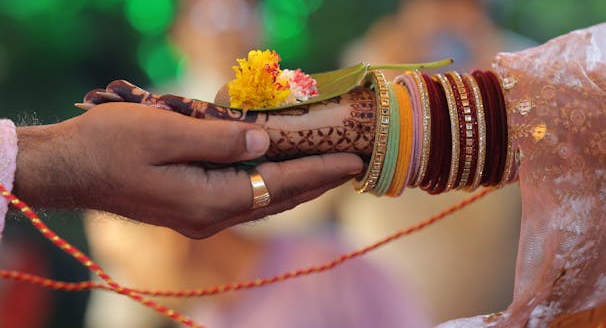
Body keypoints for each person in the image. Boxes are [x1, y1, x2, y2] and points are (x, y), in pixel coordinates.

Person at [85, 22, 606, 327]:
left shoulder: (328, 267)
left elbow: (559, 122)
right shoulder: (208, 312)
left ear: (172, 223)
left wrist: (265, 127)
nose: (120, 273)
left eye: (118, 252)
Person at [83, 0, 429, 328]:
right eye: (207, 16)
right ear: (178, 34)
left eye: (236, 14)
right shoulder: (147, 120)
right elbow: (128, 255)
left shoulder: (310, 106)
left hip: (307, 293)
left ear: (263, 25)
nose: (223, 30)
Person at [0, 95, 364, 326]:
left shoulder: (327, 271)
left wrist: (65, 160)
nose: (126, 278)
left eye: (129, 235)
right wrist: (66, 161)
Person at [336, 0, 534, 322]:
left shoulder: (527, 67)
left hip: (490, 307)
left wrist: (497, 86)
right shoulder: (369, 62)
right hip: (377, 305)